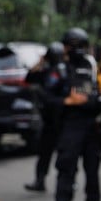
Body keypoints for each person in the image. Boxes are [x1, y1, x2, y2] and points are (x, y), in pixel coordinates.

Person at [53, 27, 101, 201]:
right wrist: (66, 102)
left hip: (92, 124)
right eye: (73, 45)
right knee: (66, 168)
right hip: (70, 125)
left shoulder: (91, 64)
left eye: (81, 45)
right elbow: (44, 97)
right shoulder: (60, 68)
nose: (77, 49)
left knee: (93, 169)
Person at [23, 42, 68, 192]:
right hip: (49, 120)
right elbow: (29, 78)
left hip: (61, 119)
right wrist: (40, 63)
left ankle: (67, 181)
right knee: (45, 152)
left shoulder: (65, 71)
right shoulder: (46, 71)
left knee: (65, 154)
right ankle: (40, 180)